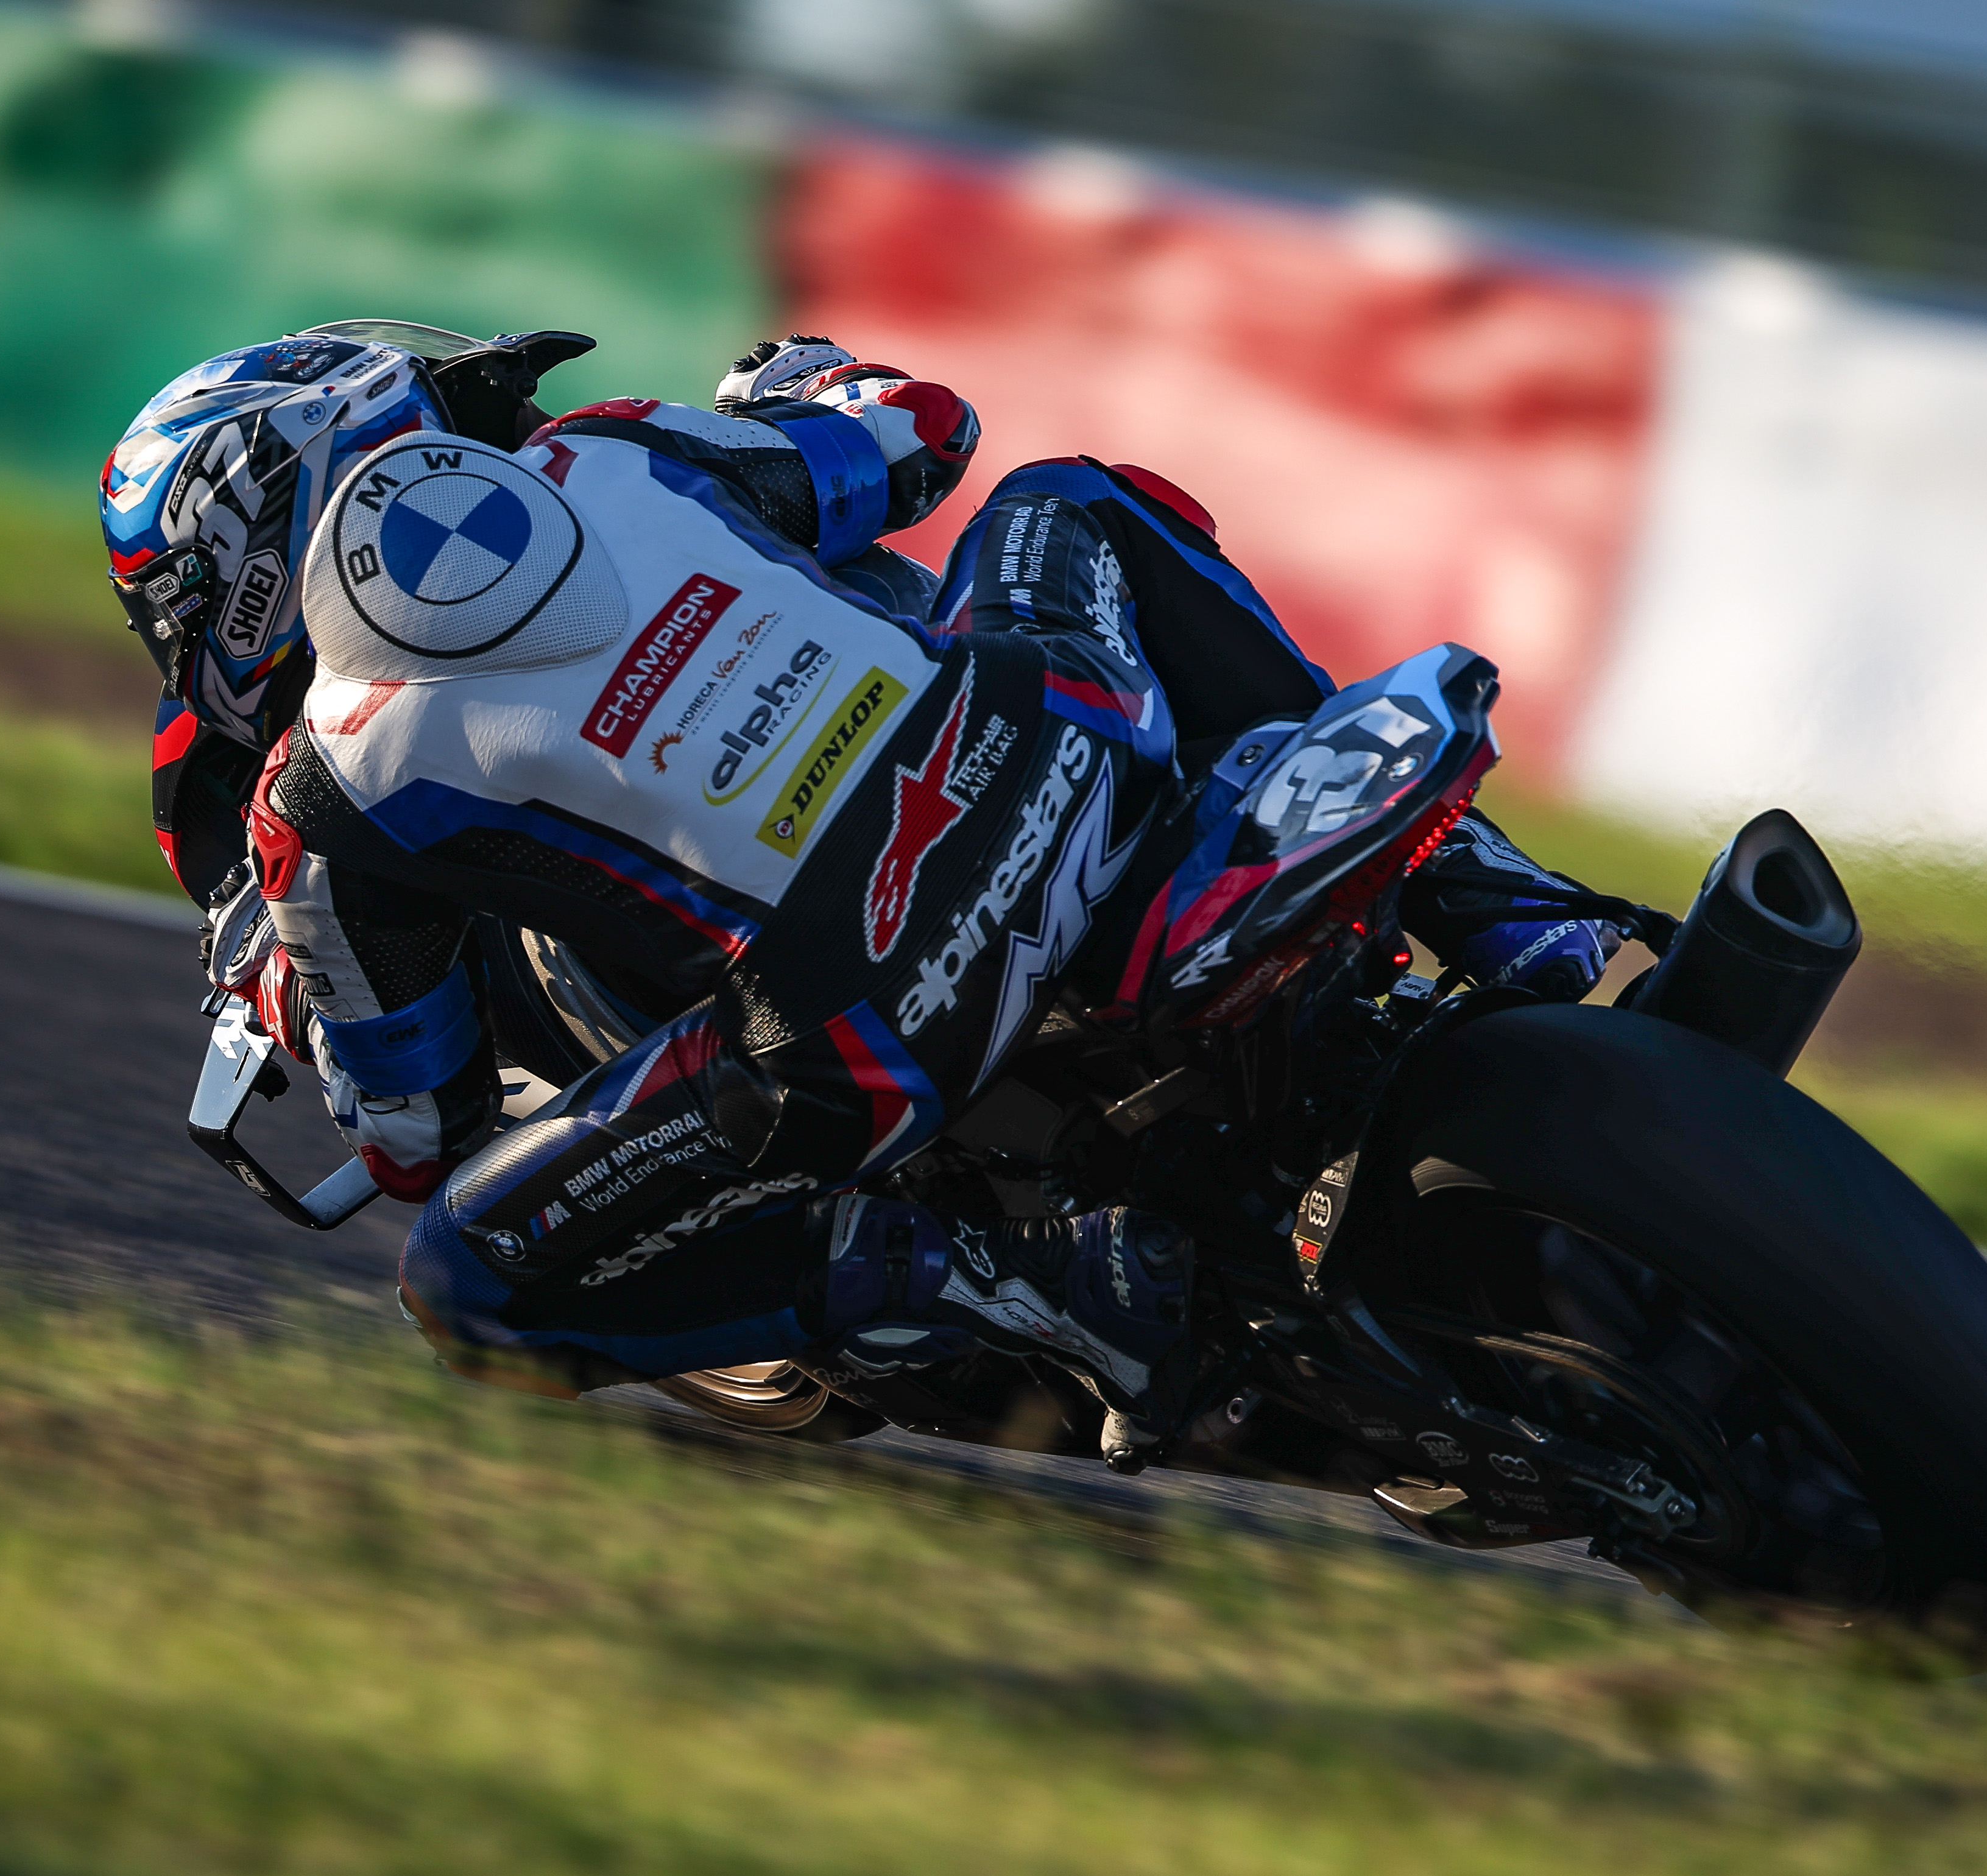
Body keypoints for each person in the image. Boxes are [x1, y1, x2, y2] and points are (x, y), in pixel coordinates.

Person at [102, 320, 1615, 1464]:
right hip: (1067, 741)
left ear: (239, 567)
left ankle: (1040, 1283)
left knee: (470, 1280)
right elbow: (923, 434)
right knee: (1074, 501)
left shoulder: (318, 797)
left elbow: (418, 1135)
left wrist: (304, 996)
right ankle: (1498, 899)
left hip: (875, 1011)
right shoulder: (628, 450)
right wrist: (812, 385)